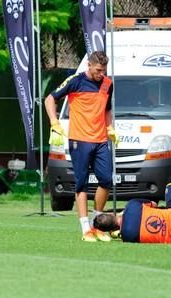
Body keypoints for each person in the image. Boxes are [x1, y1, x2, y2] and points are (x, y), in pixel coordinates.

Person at [44, 51, 118, 242]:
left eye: (104, 70)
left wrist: (110, 127)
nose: (101, 74)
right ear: (90, 66)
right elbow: (50, 99)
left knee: (106, 180)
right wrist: (55, 123)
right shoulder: (75, 81)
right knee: (82, 183)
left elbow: (107, 109)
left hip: (101, 140)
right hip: (79, 140)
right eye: (98, 70)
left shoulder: (108, 84)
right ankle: (85, 228)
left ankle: (97, 222)